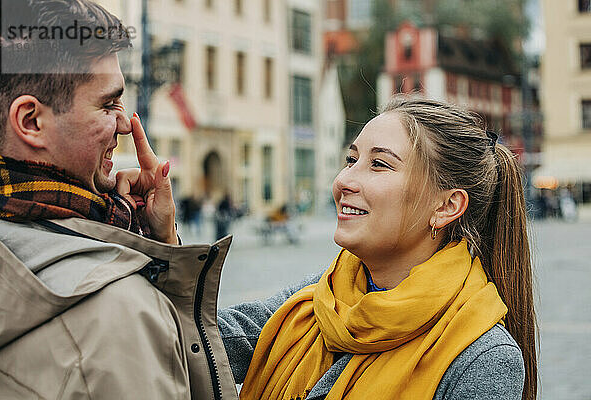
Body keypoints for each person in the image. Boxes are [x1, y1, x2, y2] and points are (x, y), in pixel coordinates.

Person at [0, 1, 237, 398]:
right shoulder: (119, 314)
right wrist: (165, 275)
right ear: (31, 122)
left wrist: (155, 244)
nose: (125, 122)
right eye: (109, 103)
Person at [217, 97, 537, 400]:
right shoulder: (321, 296)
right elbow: (202, 343)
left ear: (446, 206)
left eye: (379, 164)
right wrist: (166, 249)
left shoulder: (481, 356)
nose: (343, 180)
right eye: (351, 160)